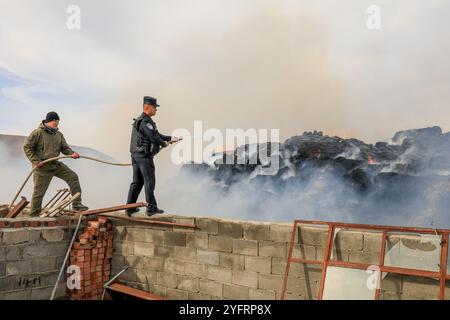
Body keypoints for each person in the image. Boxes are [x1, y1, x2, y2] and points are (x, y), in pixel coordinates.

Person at [23, 111, 89, 216]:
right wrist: (36, 161)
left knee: (73, 177)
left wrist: (72, 153)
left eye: (58, 121)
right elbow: (27, 147)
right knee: (38, 193)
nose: (58, 123)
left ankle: (77, 204)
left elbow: (64, 148)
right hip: (42, 167)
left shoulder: (59, 134)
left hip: (55, 164)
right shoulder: (37, 133)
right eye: (57, 121)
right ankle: (34, 216)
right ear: (52, 120)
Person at [126, 96, 179, 216]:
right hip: (144, 157)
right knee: (149, 181)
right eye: (154, 107)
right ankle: (151, 208)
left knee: (137, 182)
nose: (156, 109)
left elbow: (157, 134)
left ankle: (129, 207)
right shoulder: (145, 121)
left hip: (136, 155)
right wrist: (164, 144)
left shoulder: (142, 120)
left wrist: (170, 138)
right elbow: (153, 137)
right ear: (147, 107)